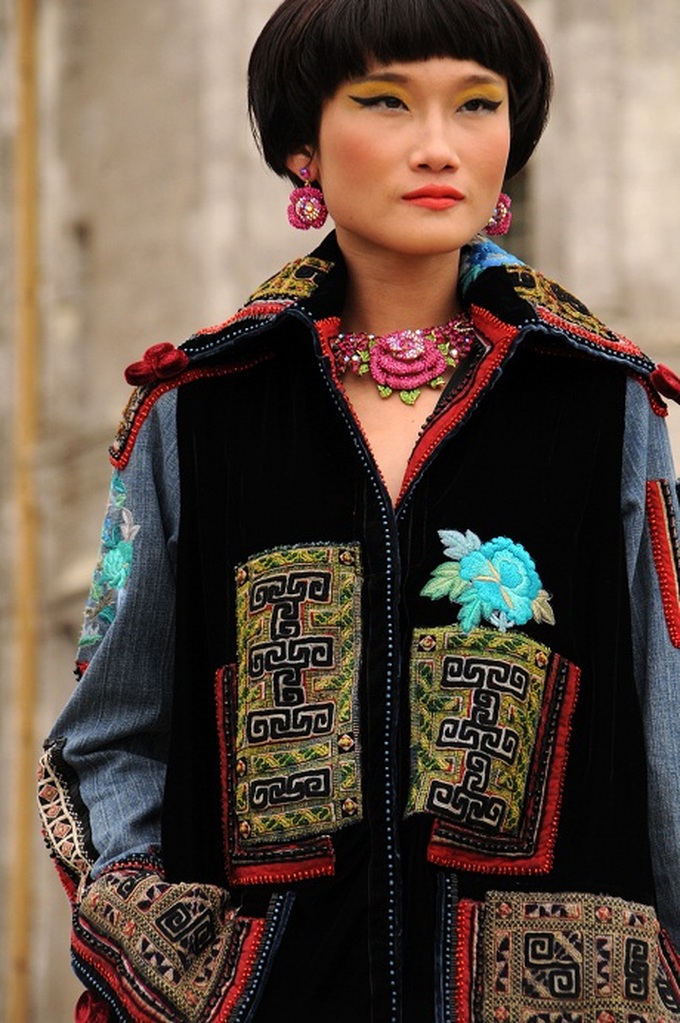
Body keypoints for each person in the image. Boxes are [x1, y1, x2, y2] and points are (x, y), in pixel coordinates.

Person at [38, 0, 680, 1020]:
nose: (438, 145)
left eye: (476, 104)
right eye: (385, 101)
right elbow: (109, 733)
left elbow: (665, 721)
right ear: (304, 146)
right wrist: (160, 958)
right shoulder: (196, 411)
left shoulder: (602, 405)